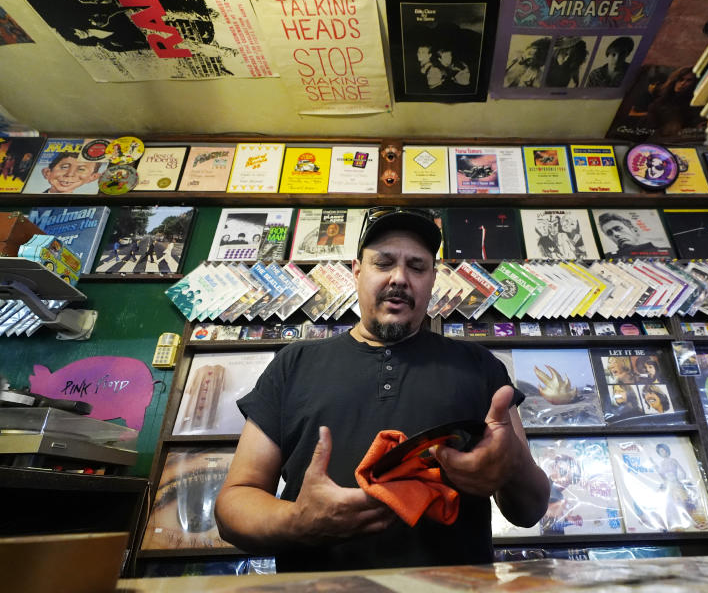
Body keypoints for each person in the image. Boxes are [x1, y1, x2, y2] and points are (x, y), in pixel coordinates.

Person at [216, 207, 550, 572]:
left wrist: (513, 464)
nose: (400, 278)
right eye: (384, 262)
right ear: (357, 272)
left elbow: (530, 511)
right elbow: (234, 505)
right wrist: (297, 520)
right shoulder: (291, 365)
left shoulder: (481, 366)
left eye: (417, 266)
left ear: (432, 279)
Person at [597, 212, 662, 257]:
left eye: (618, 229)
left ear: (634, 229)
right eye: (609, 233)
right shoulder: (608, 257)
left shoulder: (661, 252)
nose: (615, 234)